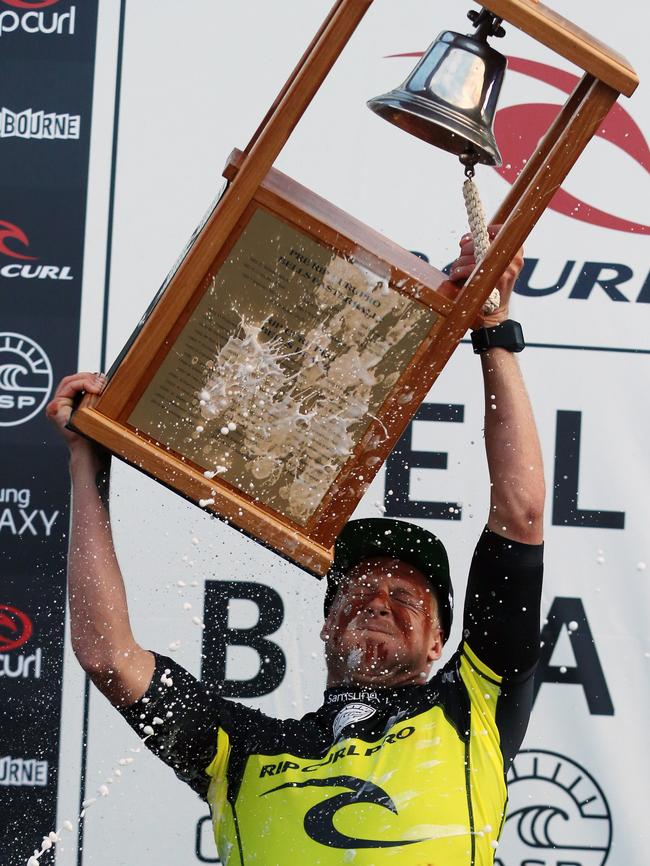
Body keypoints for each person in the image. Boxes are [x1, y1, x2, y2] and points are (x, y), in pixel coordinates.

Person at [47, 231, 545, 865]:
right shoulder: (242, 750)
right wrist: (87, 463)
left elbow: (522, 514)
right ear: (324, 626)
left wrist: (496, 331)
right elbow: (109, 657)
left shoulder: (473, 708)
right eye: (359, 587)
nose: (377, 600)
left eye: (405, 595)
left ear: (439, 643)